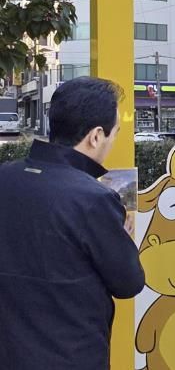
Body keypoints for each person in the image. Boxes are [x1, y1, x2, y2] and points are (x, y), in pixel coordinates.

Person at [0, 77, 145, 369]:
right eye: (115, 132)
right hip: (71, 355)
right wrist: (121, 237)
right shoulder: (94, 199)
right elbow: (128, 283)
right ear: (96, 136)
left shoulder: (6, 176)